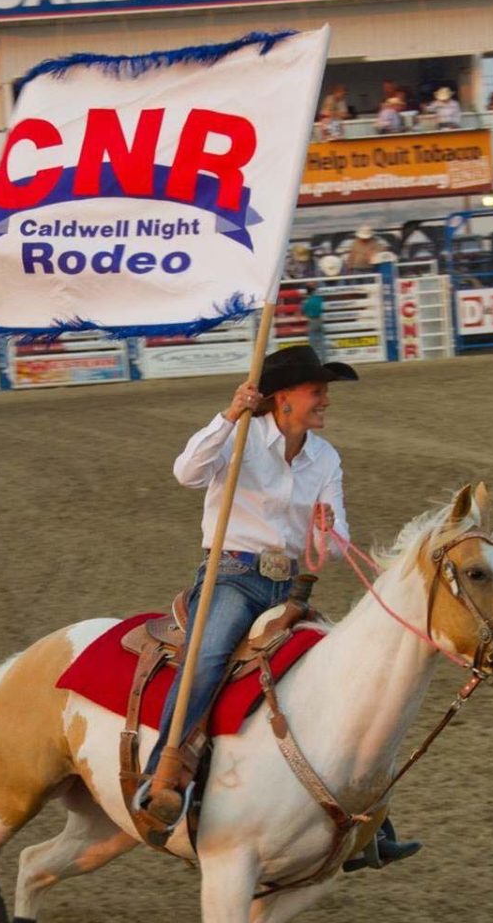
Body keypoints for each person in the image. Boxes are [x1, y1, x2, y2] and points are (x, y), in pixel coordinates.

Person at [137, 347, 421, 869]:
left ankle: (371, 821)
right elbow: (186, 472)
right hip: (232, 575)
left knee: (346, 670)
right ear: (283, 400)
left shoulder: (326, 458)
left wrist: (326, 529)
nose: (326, 402)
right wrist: (228, 416)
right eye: (317, 392)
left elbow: (338, 545)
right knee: (209, 654)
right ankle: (163, 776)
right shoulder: (241, 436)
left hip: (291, 588)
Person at [300, 283, 325, 360]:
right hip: (319, 320)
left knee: (313, 344)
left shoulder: (306, 301)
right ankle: (324, 360)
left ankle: (314, 360)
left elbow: (303, 311)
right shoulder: (318, 298)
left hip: (312, 321)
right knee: (322, 343)